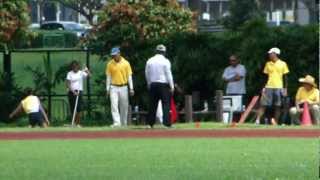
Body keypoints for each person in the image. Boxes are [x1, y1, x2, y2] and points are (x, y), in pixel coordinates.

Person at [256, 47, 289, 125]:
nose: (269, 55)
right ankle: (257, 121)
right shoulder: (268, 64)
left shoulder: (283, 63)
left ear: (275, 54)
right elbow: (265, 77)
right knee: (263, 104)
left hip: (279, 87)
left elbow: (285, 77)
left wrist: (285, 88)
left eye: (271, 53)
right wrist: (263, 88)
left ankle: (275, 122)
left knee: (278, 106)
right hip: (268, 87)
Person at [145, 44, 174, 128]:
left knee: (152, 104)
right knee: (166, 104)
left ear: (156, 51)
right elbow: (169, 74)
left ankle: (150, 123)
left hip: (153, 84)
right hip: (163, 85)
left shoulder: (150, 60)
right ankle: (166, 123)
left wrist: (149, 83)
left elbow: (147, 73)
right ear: (164, 52)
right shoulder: (166, 61)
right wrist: (172, 86)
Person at [106, 47, 134, 128]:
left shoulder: (126, 63)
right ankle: (116, 123)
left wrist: (131, 88)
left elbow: (129, 76)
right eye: (113, 55)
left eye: (115, 55)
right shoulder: (110, 64)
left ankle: (123, 123)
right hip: (113, 87)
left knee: (124, 106)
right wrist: (107, 89)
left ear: (119, 54)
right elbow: (108, 77)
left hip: (124, 87)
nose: (114, 57)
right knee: (114, 105)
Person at [66, 60, 91, 127]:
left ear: (78, 66)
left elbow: (89, 75)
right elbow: (68, 84)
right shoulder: (69, 73)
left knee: (78, 109)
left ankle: (78, 123)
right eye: (73, 67)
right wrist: (73, 91)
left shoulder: (81, 73)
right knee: (72, 108)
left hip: (79, 91)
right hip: (72, 92)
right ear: (72, 67)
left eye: (76, 66)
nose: (75, 68)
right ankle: (73, 122)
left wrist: (86, 70)